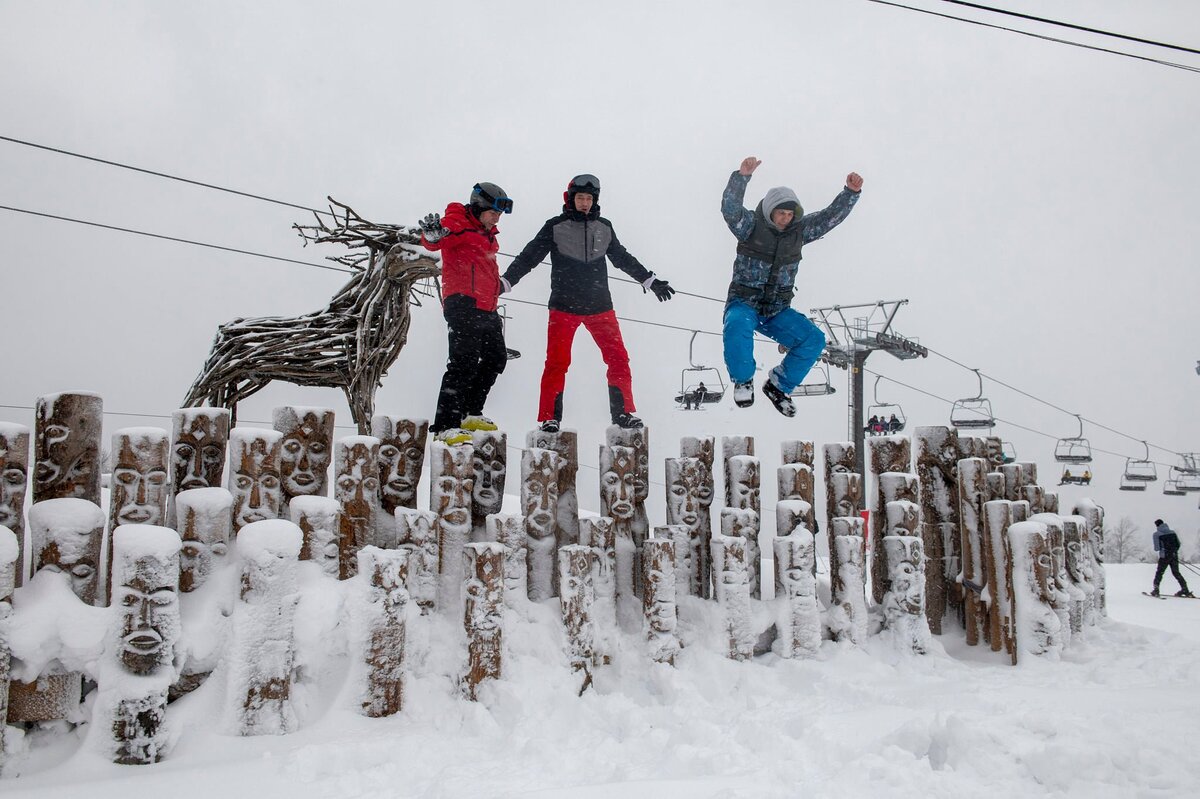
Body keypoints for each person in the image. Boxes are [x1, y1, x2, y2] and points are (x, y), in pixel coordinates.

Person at [502, 174, 675, 432]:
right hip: (563, 307)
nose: (585, 203)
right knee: (557, 363)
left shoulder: (604, 227)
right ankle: (550, 417)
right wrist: (506, 282)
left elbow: (622, 258)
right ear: (571, 199)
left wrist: (650, 281)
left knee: (618, 358)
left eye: (589, 199)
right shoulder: (555, 226)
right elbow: (529, 257)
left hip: (600, 307)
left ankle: (623, 413)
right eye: (580, 198)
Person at [721, 157, 862, 417]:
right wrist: (741, 177)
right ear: (770, 212)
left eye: (789, 215)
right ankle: (743, 380)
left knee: (813, 339)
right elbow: (731, 209)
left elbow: (829, 218)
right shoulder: (750, 226)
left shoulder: (800, 232)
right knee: (737, 325)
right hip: (745, 302)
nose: (785, 219)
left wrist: (850, 194)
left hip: (776, 310)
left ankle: (778, 386)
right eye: (781, 214)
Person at [419, 182, 513, 445]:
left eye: (499, 214)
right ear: (479, 206)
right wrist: (432, 236)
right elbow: (437, 241)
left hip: (487, 306)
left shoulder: (488, 234)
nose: (497, 218)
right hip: (463, 302)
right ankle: (445, 425)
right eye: (493, 212)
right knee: (463, 363)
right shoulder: (458, 222)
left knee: (496, 358)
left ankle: (470, 412)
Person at [1150, 519, 1192, 597]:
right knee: (1176, 573)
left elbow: (1157, 548)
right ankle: (1185, 589)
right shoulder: (1172, 532)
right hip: (1174, 556)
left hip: (1164, 556)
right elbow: (1178, 544)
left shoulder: (1156, 534)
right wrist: (1173, 552)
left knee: (1159, 573)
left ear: (1157, 525)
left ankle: (1156, 590)